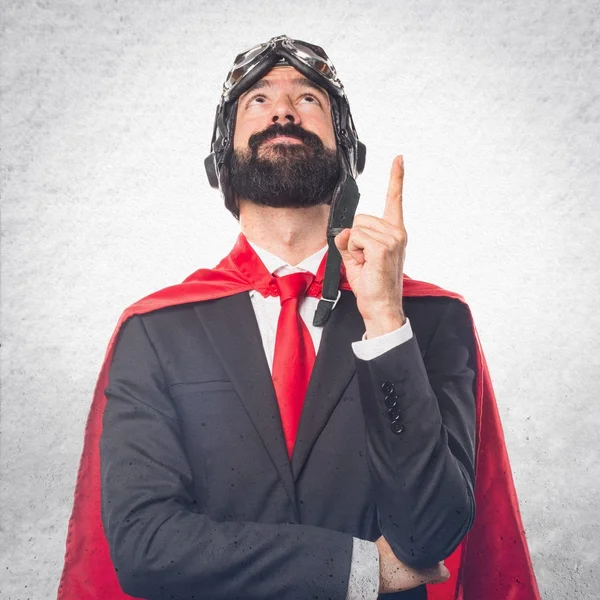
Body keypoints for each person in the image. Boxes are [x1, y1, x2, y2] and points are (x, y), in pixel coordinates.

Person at [57, 36, 540, 600]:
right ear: (222, 156)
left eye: (309, 99)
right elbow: (144, 547)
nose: (283, 109)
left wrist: (385, 318)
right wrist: (357, 570)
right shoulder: (156, 329)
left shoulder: (431, 319)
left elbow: (433, 531)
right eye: (257, 101)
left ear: (348, 150)